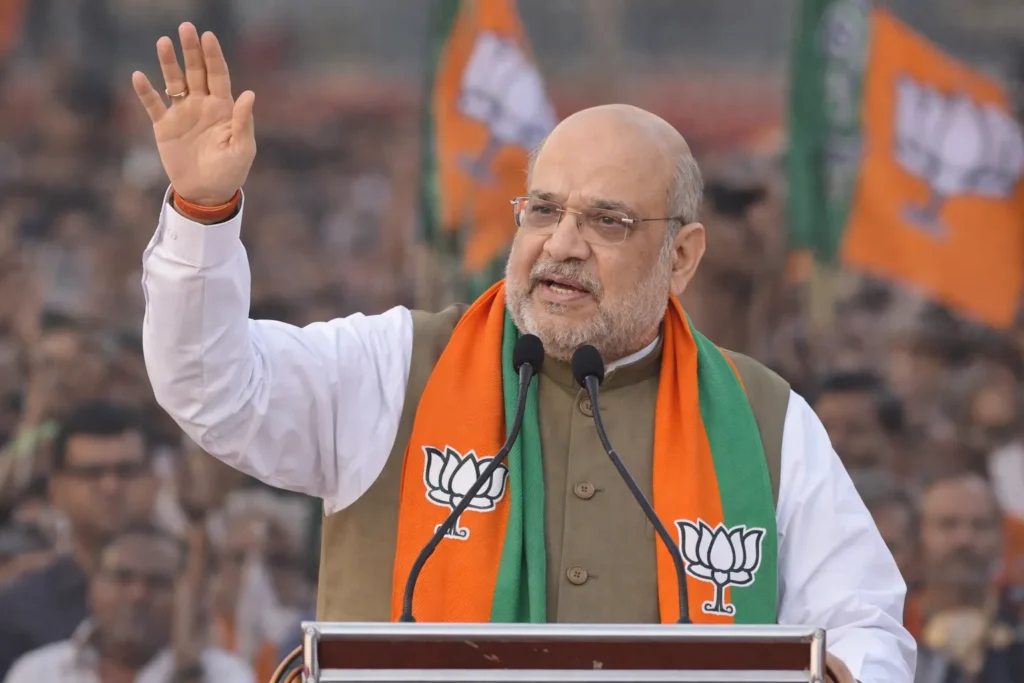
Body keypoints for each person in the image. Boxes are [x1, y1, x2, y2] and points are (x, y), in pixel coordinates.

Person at [134, 23, 915, 683]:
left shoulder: (762, 418)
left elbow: (865, 625)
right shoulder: (395, 365)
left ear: (682, 257)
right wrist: (204, 213)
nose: (562, 245)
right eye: (543, 209)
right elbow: (212, 385)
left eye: (606, 221)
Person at [0, 400, 157, 677]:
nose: (111, 487)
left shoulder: (195, 589)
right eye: (91, 473)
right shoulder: (18, 611)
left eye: (126, 471)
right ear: (56, 489)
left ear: (154, 481)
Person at [3, 524, 253, 683]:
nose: (137, 595)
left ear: (183, 597)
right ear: (93, 586)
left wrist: (188, 672)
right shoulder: (37, 672)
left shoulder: (224, 675)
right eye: (122, 578)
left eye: (157, 583)